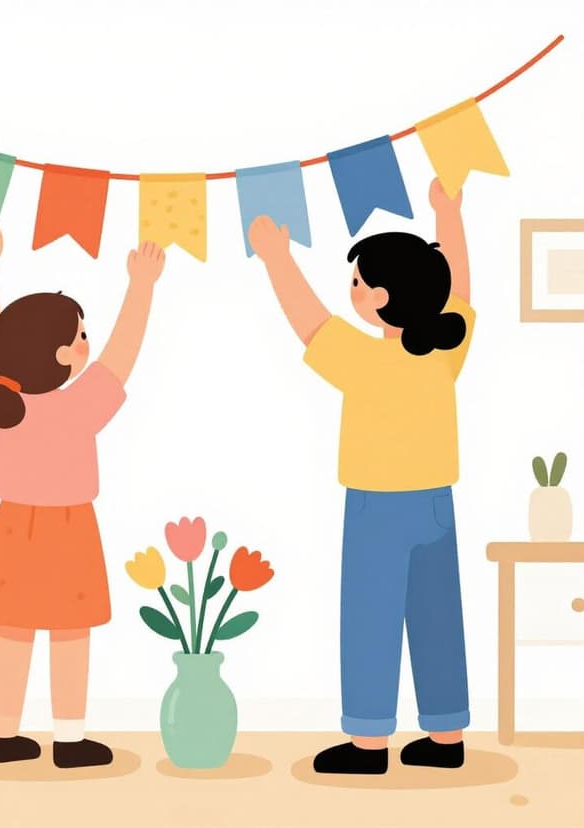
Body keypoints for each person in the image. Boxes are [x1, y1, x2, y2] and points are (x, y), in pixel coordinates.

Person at [248, 179, 473, 775]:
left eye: (355, 283)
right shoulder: (446, 347)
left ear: (379, 297)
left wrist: (276, 258)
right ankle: (446, 736)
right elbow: (461, 287)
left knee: (372, 615)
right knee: (435, 614)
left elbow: (307, 321)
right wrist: (448, 215)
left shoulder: (365, 359)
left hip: (378, 504)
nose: (349, 292)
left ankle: (369, 743)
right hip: (435, 502)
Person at [0, 228, 165, 768]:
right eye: (82, 336)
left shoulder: (2, 400)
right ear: (61, 355)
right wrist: (141, 286)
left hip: (11, 526)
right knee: (69, 634)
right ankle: (70, 740)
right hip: (69, 529)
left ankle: (2, 736)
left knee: (14, 630)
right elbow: (123, 354)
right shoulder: (79, 409)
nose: (89, 344)